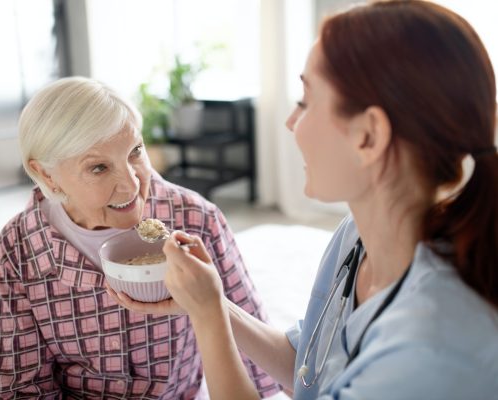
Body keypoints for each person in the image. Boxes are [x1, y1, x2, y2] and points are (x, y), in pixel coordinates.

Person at [109, 1, 498, 399]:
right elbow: (307, 370)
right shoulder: (356, 237)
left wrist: (208, 318)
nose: (291, 121)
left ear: (369, 136)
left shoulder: (431, 351)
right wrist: (210, 302)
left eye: (306, 101)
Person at [0, 76, 282, 399]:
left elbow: (263, 365)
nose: (132, 186)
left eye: (135, 151)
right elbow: (24, 389)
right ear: (47, 175)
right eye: (99, 168)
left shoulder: (197, 220)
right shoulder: (15, 253)